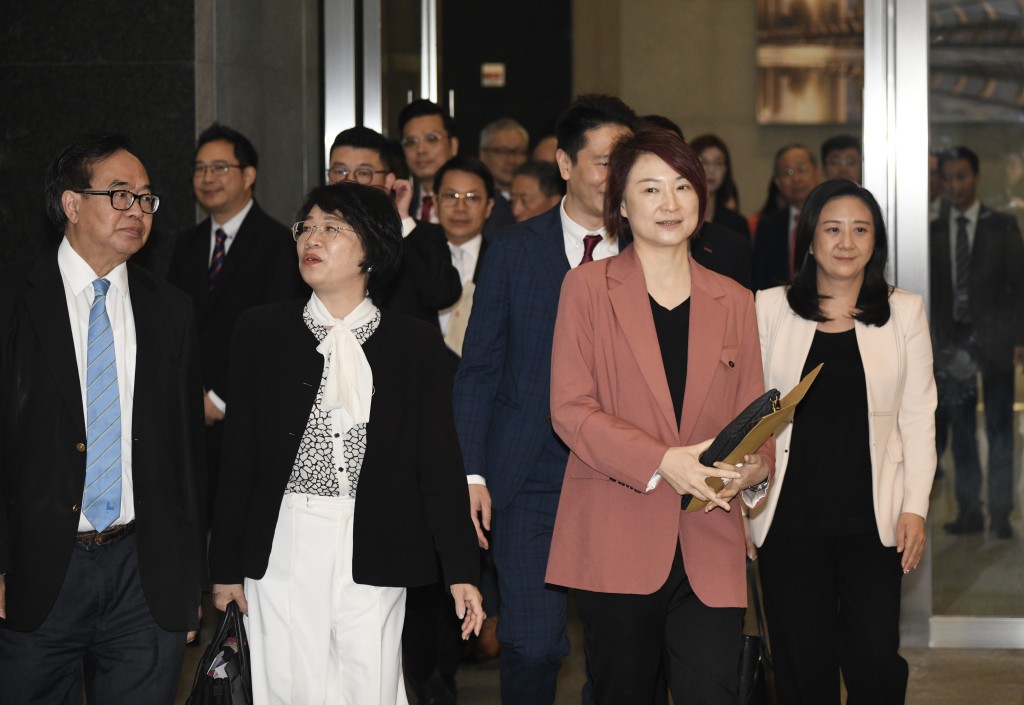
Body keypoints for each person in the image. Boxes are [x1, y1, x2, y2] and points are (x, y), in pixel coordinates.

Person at [208, 182, 484, 704]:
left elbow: (438, 465)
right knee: (288, 689)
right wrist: (224, 570)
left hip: (379, 539)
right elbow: (238, 458)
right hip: (284, 538)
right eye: (306, 227)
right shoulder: (261, 331)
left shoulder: (414, 343)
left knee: (370, 687)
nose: (312, 238)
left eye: (332, 228)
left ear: (372, 250)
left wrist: (461, 572)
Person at [545, 126, 773, 705]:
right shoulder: (587, 288)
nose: (669, 202)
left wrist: (754, 471)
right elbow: (570, 408)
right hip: (616, 533)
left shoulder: (733, 299)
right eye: (650, 189)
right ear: (621, 204)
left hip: (710, 538)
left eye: (682, 186)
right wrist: (661, 460)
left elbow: (755, 418)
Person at [0, 133, 206, 702]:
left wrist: (189, 579)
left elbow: (187, 454)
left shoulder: (170, 309)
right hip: (38, 568)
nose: (137, 210)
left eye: (145, 198)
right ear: (71, 204)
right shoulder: (12, 297)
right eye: (119, 195)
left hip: (144, 573)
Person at [453, 93, 639, 705]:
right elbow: (479, 368)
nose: (614, 176)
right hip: (529, 475)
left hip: (621, 479)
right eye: (603, 161)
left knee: (621, 654)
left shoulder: (648, 252)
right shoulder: (513, 249)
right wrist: (473, 473)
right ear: (564, 163)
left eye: (624, 162)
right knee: (533, 645)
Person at [750, 179, 937, 704]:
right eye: (832, 229)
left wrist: (915, 507)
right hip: (788, 520)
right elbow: (748, 415)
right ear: (810, 239)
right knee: (802, 668)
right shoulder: (769, 308)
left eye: (861, 230)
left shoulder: (904, 311)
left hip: (874, 519)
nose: (846, 242)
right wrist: (744, 507)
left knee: (875, 660)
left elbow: (919, 415)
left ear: (876, 242)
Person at [168, 123, 304, 521]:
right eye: (200, 168)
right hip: (188, 418)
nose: (207, 177)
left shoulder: (280, 244)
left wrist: (220, 398)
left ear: (248, 175)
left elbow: (277, 336)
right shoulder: (185, 244)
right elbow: (172, 327)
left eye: (220, 168)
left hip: (247, 417)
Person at [930, 146, 1024, 540]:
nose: (954, 186)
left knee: (1000, 427)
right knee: (962, 429)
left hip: (997, 340)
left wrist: (1019, 337)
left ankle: (1001, 513)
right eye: (948, 178)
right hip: (953, 343)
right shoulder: (933, 231)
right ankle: (969, 511)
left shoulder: (1002, 224)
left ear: (976, 177)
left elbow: (1019, 285)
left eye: (961, 176)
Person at [327, 126, 462, 329]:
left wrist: (401, 220)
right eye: (340, 171)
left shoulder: (421, 235)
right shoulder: (312, 236)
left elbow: (442, 294)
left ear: (388, 180)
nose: (350, 181)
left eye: (364, 173)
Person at [752, 144, 820, 290]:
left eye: (802, 169)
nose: (796, 178)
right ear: (778, 182)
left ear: (817, 172)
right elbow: (760, 279)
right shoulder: (767, 226)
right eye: (787, 172)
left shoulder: (831, 221)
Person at [399, 99, 460, 225]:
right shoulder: (401, 207)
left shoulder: (480, 204)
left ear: (453, 146)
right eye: (411, 142)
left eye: (432, 139)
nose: (421, 150)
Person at [690, 134, 749, 237]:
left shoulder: (736, 223)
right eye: (703, 162)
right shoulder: (678, 216)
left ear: (726, 169)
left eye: (718, 163)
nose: (711, 170)